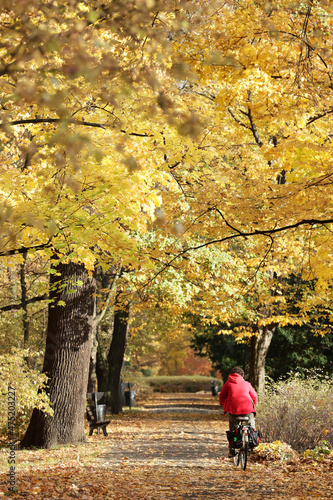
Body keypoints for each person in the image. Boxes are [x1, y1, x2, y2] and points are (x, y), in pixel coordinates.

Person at [219, 366, 258, 455]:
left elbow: (222, 395)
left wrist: (222, 403)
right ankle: (252, 444)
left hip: (234, 411)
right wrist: (254, 404)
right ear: (242, 376)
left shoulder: (228, 383)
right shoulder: (247, 383)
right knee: (251, 426)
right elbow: (254, 396)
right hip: (248, 410)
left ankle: (233, 449)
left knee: (233, 430)